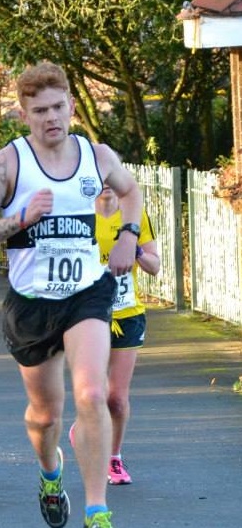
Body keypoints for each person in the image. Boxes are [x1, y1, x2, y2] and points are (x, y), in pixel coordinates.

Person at [0, 62, 142, 528]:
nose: (51, 118)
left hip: (87, 294)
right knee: (45, 416)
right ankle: (49, 472)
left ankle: (97, 514)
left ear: (72, 108)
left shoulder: (97, 155)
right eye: (39, 111)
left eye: (59, 107)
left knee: (91, 391)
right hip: (32, 305)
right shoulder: (8, 164)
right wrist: (20, 217)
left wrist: (128, 236)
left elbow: (132, 192)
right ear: (24, 115)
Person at [85, 183, 160, 484]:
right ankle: (86, 425)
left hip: (127, 314)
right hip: (88, 315)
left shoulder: (135, 216)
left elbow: (155, 266)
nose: (105, 181)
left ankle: (113, 458)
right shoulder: (80, 216)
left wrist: (136, 249)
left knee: (116, 398)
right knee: (93, 393)